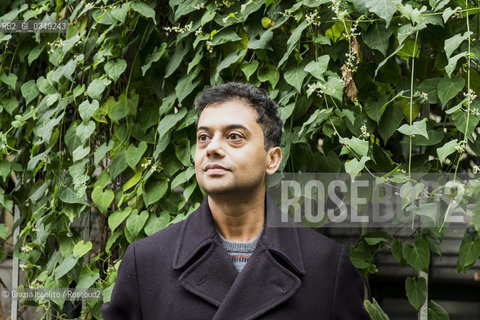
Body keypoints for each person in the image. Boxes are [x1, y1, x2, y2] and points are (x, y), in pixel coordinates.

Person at [102, 82, 369, 320]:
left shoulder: (326, 266)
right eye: (203, 137)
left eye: (234, 137)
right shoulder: (146, 263)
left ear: (272, 159)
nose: (212, 148)